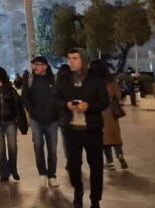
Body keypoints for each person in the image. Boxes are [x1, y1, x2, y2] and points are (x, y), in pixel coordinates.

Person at [52, 49, 109, 208]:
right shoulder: (63, 79)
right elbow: (54, 99)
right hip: (71, 131)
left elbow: (104, 102)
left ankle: (95, 199)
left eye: (75, 58)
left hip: (92, 130)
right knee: (74, 167)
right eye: (69, 58)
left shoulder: (96, 78)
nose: (71, 61)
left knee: (96, 167)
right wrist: (66, 105)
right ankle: (78, 190)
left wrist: (89, 106)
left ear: (83, 60)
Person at [0, 66, 27, 182]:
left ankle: (13, 169)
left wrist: (22, 124)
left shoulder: (10, 90)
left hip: (10, 121)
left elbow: (18, 107)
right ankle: (4, 173)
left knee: (12, 146)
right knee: (1, 149)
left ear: (1, 75)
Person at [22, 56, 59, 187]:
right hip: (36, 120)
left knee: (52, 149)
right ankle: (42, 173)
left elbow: (59, 97)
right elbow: (25, 98)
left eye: (38, 64)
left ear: (45, 66)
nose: (35, 67)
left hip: (52, 120)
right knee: (38, 146)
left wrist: (56, 113)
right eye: (34, 64)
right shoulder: (30, 79)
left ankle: (52, 175)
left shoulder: (54, 79)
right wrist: (33, 112)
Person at [89, 60, 127, 171]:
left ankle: (110, 162)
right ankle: (120, 155)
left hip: (99, 110)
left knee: (104, 139)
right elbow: (119, 95)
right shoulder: (111, 80)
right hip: (111, 111)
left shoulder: (93, 81)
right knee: (115, 136)